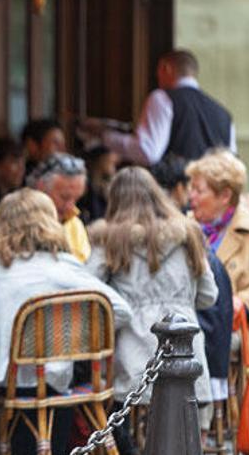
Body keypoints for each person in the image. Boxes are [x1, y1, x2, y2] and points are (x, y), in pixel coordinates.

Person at [0, 188, 131, 455]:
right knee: (56, 397)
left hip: (2, 377)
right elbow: (120, 310)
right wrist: (74, 338)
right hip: (54, 375)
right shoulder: (64, 268)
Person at [85, 167, 216, 406]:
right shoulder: (188, 236)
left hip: (133, 348)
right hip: (186, 348)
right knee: (182, 422)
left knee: (130, 417)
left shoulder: (110, 240)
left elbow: (87, 290)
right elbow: (209, 295)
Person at [81, 49, 235, 165]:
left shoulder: (162, 98)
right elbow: (231, 163)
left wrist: (104, 136)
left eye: (158, 73)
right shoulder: (224, 114)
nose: (158, 78)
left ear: (166, 69)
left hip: (173, 197)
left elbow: (148, 151)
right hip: (212, 202)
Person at [185, 149, 249, 309]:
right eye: (191, 188)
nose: (190, 196)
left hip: (231, 329)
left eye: (198, 190)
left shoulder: (247, 232)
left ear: (225, 196)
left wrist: (241, 303)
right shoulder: (183, 227)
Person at [26, 152, 91, 262]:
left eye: (76, 199)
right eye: (65, 197)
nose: (71, 207)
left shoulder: (75, 225)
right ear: (41, 187)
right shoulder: (8, 219)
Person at [78, 146, 120, 223]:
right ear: (101, 161)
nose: (114, 168)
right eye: (110, 162)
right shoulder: (86, 185)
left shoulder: (108, 185)